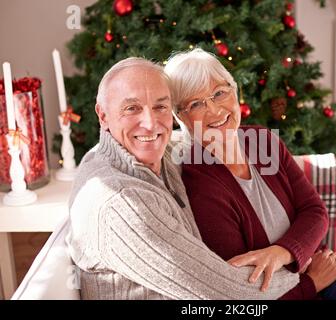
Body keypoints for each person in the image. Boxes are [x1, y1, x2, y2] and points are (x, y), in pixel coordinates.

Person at [164, 48, 336, 300]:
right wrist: (312, 283)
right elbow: (243, 296)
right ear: (181, 117)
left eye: (219, 93)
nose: (214, 110)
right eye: (195, 104)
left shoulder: (262, 141)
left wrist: (283, 252)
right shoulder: (201, 187)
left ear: (235, 92)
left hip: (312, 262)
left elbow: (315, 210)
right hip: (290, 290)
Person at [66, 57, 302, 299]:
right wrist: (304, 270)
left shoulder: (156, 154)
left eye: (160, 107)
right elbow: (226, 294)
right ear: (103, 115)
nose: (150, 124)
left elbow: (202, 134)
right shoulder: (121, 204)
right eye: (132, 108)